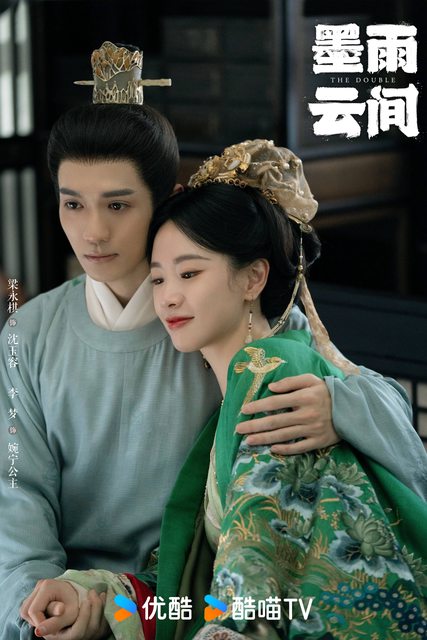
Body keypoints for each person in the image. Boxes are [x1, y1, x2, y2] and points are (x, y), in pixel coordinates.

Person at [5, 42, 426, 638]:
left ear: (166, 200)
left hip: (191, 594)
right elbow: (15, 493)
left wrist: (339, 406)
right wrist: (33, 611)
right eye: (72, 204)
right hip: (95, 601)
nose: (93, 231)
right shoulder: (30, 332)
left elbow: (383, 416)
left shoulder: (230, 319)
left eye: (118, 204)